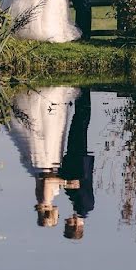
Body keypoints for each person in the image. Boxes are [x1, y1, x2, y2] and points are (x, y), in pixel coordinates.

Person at [8, 87, 80, 228]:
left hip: (46, 161)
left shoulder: (45, 199)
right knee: (49, 127)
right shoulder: (43, 200)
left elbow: (47, 181)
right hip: (43, 163)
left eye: (56, 216)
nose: (59, 214)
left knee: (48, 129)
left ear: (50, 214)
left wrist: (67, 183)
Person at [59, 89, 94, 239]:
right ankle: (83, 92)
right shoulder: (85, 206)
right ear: (77, 225)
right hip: (79, 160)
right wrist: (61, 182)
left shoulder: (78, 205)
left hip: (76, 159)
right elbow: (78, 183)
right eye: (69, 224)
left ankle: (81, 93)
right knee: (80, 122)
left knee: (78, 124)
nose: (67, 220)